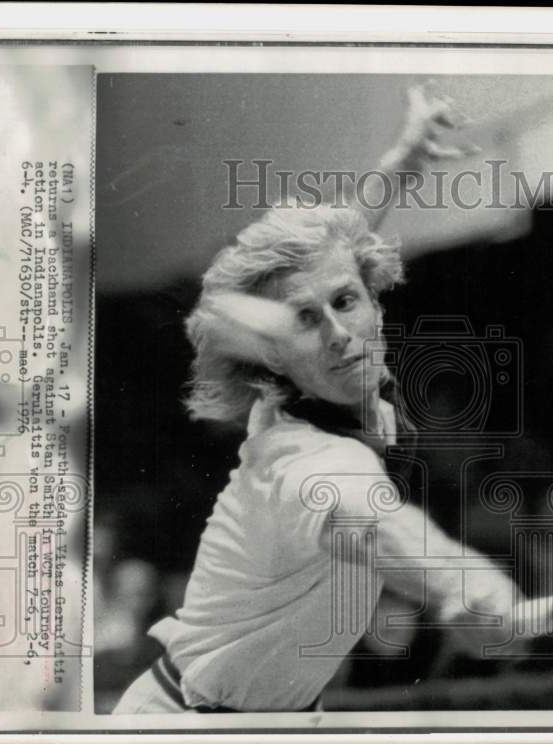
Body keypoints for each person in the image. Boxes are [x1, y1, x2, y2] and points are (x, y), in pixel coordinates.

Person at [112, 86, 524, 714]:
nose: (337, 332)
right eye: (304, 322)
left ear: (376, 306)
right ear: (274, 356)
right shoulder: (298, 456)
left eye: (346, 303)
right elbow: (375, 523)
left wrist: (398, 165)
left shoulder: (344, 398)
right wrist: (458, 581)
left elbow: (339, 256)